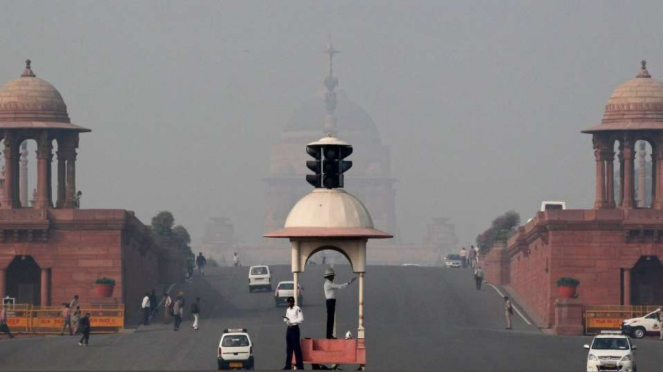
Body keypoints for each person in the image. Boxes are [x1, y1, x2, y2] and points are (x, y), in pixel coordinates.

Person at [323, 267, 356, 339]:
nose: (333, 277)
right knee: (330, 319)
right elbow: (339, 286)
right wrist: (348, 282)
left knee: (331, 319)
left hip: (331, 302)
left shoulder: (329, 283)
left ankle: (329, 335)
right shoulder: (328, 284)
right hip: (330, 302)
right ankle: (329, 335)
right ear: (329, 276)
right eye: (332, 276)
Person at [283, 297, 304, 370]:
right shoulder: (287, 310)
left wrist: (293, 322)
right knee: (289, 348)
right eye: (288, 302)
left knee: (296, 348)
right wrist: (286, 320)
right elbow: (286, 317)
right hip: (289, 329)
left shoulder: (297, 308)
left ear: (293, 302)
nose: (289, 303)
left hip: (295, 329)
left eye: (290, 302)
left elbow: (301, 319)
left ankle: (300, 365)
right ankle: (288, 365)